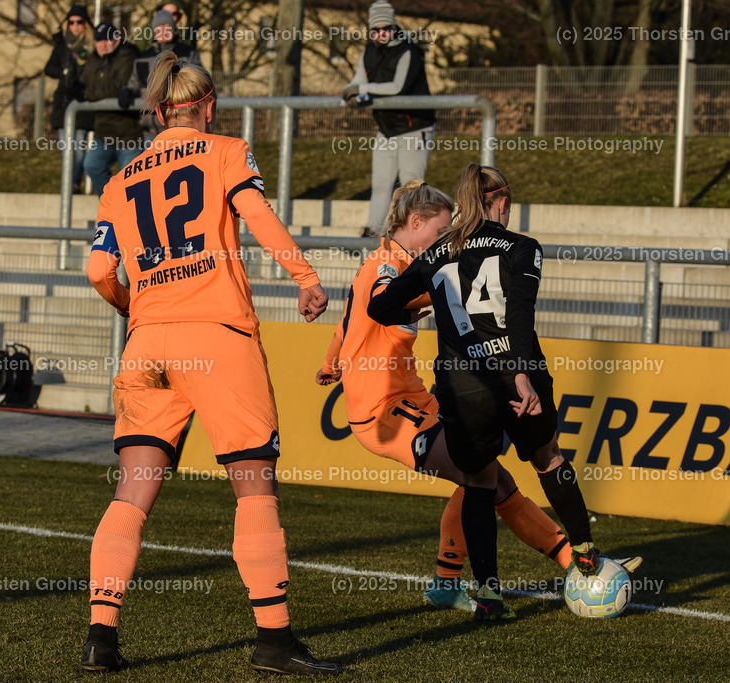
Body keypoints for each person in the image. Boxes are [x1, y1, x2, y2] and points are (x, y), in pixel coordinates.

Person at [83, 52, 339, 675]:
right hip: (217, 335)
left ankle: (101, 636)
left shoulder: (121, 179)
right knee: (254, 488)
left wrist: (132, 307)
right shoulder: (225, 150)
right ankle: (274, 642)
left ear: (159, 110)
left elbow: (98, 271)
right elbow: (257, 216)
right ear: (208, 104)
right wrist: (305, 278)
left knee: (131, 496)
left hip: (147, 342)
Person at [316, 180, 574, 612]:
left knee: (487, 476)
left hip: (413, 397)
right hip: (384, 411)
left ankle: (454, 580)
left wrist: (331, 363)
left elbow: (347, 325)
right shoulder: (386, 268)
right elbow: (379, 302)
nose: (443, 242)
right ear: (414, 223)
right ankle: (574, 562)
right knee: (484, 476)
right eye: (438, 233)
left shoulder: (391, 261)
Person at [368, 164, 601, 620]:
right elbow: (519, 314)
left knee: (478, 482)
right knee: (548, 458)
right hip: (517, 374)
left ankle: (490, 596)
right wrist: (518, 374)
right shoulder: (522, 247)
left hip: (462, 385)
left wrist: (424, 307)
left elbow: (380, 306)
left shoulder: (436, 254)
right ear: (502, 201)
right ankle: (586, 552)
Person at [341, 1, 435, 237]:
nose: (381, 34)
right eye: (375, 30)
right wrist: (349, 96)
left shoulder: (409, 51)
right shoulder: (369, 51)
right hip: (386, 129)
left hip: (415, 126)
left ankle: (414, 235)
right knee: (381, 184)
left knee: (410, 185)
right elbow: (356, 81)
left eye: (386, 28)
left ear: (393, 26)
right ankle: (373, 233)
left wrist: (362, 88)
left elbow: (397, 88)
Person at [118, 9, 202, 143]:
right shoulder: (143, 57)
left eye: (167, 27)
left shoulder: (188, 54)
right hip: (150, 129)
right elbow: (134, 83)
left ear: (174, 30)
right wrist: (127, 92)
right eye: (159, 28)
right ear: (154, 32)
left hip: (180, 125)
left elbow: (197, 83)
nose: (163, 31)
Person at [81, 21, 141, 196]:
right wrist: (93, 93)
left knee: (129, 180)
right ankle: (112, 205)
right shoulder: (92, 60)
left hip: (128, 132)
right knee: (92, 166)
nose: (103, 44)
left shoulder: (127, 55)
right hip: (103, 130)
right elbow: (84, 88)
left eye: (107, 39)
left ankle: (127, 214)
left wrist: (92, 93)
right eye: (98, 40)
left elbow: (118, 87)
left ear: (117, 39)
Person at [43, 4, 95, 194]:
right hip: (63, 101)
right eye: (71, 22)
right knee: (65, 148)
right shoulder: (62, 45)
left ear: (85, 24)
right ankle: (68, 184)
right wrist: (63, 73)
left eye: (79, 22)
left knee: (78, 148)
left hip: (81, 101)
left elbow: (90, 69)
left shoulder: (89, 46)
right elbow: (48, 68)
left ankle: (74, 184)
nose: (75, 26)